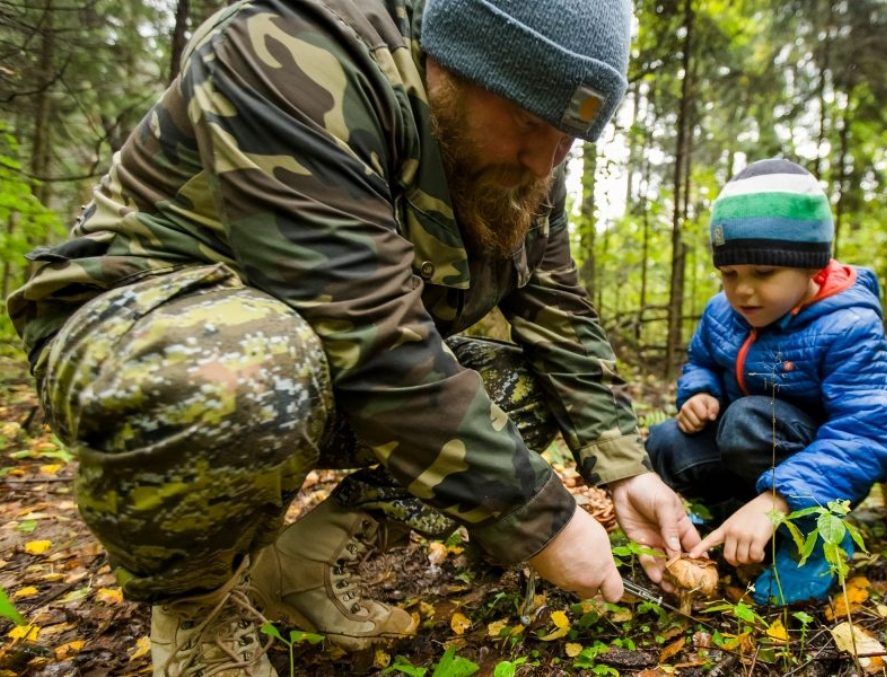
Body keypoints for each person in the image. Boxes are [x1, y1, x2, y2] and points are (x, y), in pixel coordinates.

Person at [6, 0, 700, 673]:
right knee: (251, 370)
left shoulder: (521, 166)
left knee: (525, 388)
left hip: (316, 360)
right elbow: (366, 328)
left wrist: (625, 467)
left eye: (567, 136)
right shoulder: (296, 48)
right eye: (527, 121)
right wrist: (540, 517)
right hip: (145, 339)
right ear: (453, 66)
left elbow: (559, 315)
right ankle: (198, 612)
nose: (546, 161)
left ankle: (298, 567)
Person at [645, 158, 887, 606]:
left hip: (820, 473)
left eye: (763, 274)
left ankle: (815, 542)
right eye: (730, 274)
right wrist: (700, 392)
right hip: (746, 447)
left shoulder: (849, 326)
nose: (743, 291)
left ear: (811, 266)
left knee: (746, 421)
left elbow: (867, 434)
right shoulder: (722, 312)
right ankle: (727, 519)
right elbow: (702, 360)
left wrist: (777, 500)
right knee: (667, 440)